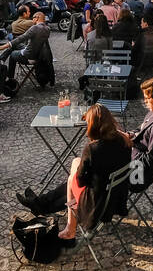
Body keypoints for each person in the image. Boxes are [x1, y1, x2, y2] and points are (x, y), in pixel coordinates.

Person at [18, 104, 131, 244]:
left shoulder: (92, 149)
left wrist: (77, 171)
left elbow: (81, 181)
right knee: (75, 168)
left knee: (72, 179)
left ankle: (70, 230)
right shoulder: (124, 140)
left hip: (97, 204)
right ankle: (41, 203)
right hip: (116, 195)